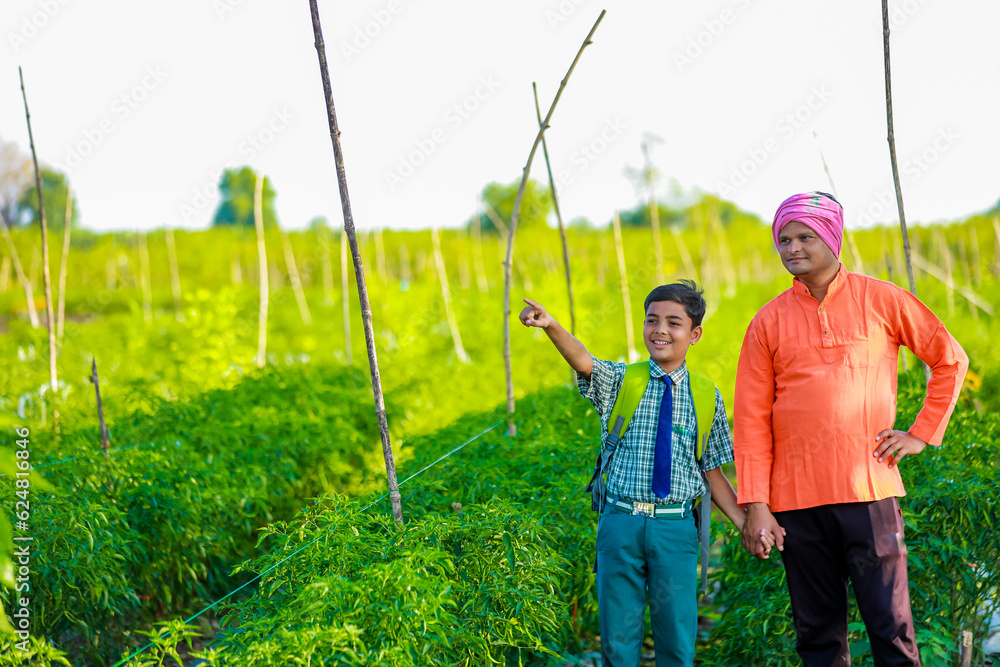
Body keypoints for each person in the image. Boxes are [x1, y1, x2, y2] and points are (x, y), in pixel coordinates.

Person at [734, 191, 969, 666]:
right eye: (783, 239)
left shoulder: (881, 299)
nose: (792, 248)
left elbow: (950, 359)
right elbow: (751, 420)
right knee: (818, 637)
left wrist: (921, 433)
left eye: (804, 236)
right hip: (797, 504)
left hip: (869, 491)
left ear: (832, 236)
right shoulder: (767, 321)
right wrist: (757, 506)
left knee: (891, 628)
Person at [520, 281, 773, 667]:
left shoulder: (707, 396)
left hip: (675, 529)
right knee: (618, 640)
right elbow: (583, 360)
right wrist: (551, 325)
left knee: (677, 637)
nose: (660, 330)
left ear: (695, 334)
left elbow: (713, 473)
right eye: (652, 320)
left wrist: (745, 525)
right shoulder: (624, 381)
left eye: (674, 323)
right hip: (620, 522)